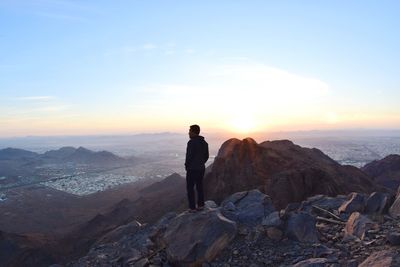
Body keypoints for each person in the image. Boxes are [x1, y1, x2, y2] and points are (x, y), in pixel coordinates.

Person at [185, 124, 209, 212]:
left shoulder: (191, 143)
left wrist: (187, 165)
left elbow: (189, 156)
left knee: (190, 188)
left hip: (192, 169)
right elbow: (206, 156)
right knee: (200, 187)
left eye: (190, 131)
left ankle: (192, 208)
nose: (188, 133)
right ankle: (201, 205)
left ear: (194, 132)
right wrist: (201, 163)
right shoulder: (205, 143)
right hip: (201, 168)